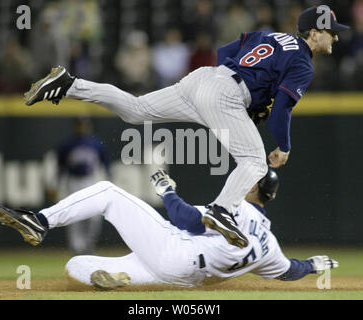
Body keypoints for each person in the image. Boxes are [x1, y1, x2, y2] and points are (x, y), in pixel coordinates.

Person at [22, 6, 350, 248]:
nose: (336, 35)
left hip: (203, 79)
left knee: (135, 110)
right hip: (225, 93)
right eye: (331, 30)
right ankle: (222, 210)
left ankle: (69, 84)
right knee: (254, 162)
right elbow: (281, 111)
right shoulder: (303, 63)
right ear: (314, 32)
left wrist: (228, 86)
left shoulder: (270, 36)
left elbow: (224, 52)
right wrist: (285, 146)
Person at [0, 169, 338, 289]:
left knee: (110, 193)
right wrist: (312, 265)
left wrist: (166, 191)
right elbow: (289, 272)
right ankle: (111, 280)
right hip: (179, 278)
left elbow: (185, 220)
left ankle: (40, 221)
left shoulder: (237, 207)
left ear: (252, 186)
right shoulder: (270, 246)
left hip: (174, 250)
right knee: (76, 265)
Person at [47, 117, 110, 254]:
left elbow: (106, 165)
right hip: (73, 181)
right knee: (74, 215)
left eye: (85, 125)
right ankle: (76, 248)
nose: (82, 127)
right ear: (75, 126)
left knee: (94, 216)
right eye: (80, 125)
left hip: (91, 180)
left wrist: (109, 181)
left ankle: (89, 246)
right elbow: (60, 168)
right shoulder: (67, 144)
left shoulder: (95, 143)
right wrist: (55, 185)